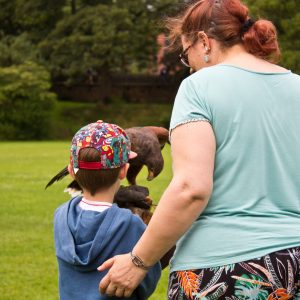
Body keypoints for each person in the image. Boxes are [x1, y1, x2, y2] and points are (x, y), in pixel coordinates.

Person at [98, 0, 300, 299]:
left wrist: (138, 261)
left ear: (204, 41)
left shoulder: (198, 87)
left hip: (225, 268)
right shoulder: (295, 86)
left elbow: (192, 188)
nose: (189, 65)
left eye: (185, 54)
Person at [53, 120, 161, 300]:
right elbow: (146, 276)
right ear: (123, 171)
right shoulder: (130, 223)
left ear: (71, 171)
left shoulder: (61, 215)